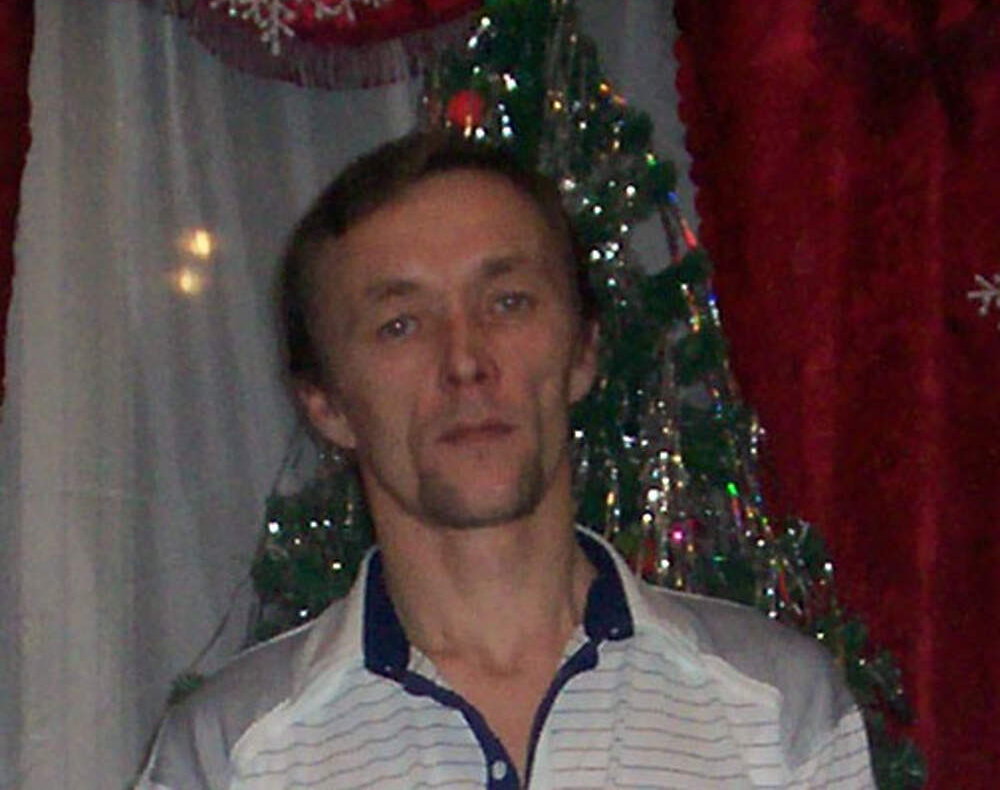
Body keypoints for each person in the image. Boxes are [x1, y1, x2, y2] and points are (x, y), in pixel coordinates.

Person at [138, 132, 875, 790]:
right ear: (326, 402)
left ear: (582, 350)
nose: (465, 361)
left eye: (509, 302)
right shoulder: (231, 756)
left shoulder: (775, 710)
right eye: (401, 324)